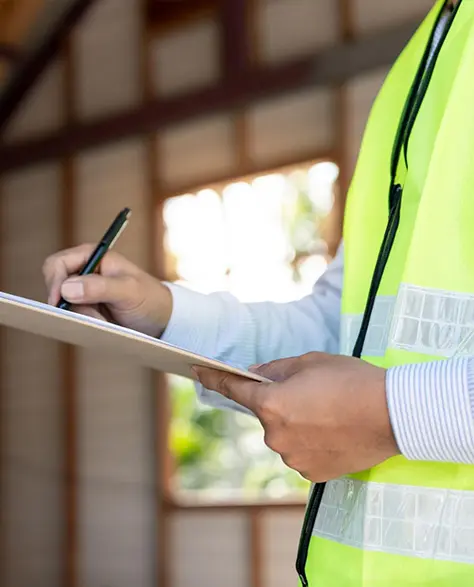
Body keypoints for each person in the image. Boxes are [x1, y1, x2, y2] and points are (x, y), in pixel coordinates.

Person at [43, 0, 474, 585]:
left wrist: (394, 413)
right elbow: (348, 332)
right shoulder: (432, 51)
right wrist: (167, 314)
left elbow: (376, 384)